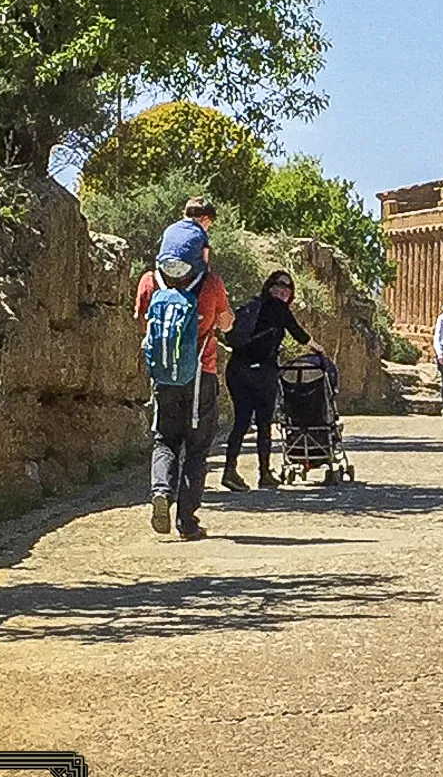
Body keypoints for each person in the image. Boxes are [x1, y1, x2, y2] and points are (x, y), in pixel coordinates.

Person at [135, 258, 233, 540]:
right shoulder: (211, 283)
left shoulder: (150, 280)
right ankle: (187, 522)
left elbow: (142, 322)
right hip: (202, 373)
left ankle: (161, 490)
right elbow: (226, 324)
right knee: (197, 447)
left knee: (165, 439)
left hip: (165, 376)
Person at [223, 270, 323, 489]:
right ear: (270, 287)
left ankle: (229, 471)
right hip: (262, 372)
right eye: (280, 285)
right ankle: (264, 473)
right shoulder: (278, 308)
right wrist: (318, 348)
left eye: (288, 287)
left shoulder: (252, 305)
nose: (284, 290)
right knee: (263, 423)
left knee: (241, 421)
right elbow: (298, 333)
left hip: (237, 369)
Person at [157, 196, 217, 279]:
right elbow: (205, 259)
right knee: (205, 270)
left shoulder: (170, 228)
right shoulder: (200, 233)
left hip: (164, 266)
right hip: (184, 269)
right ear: (205, 219)